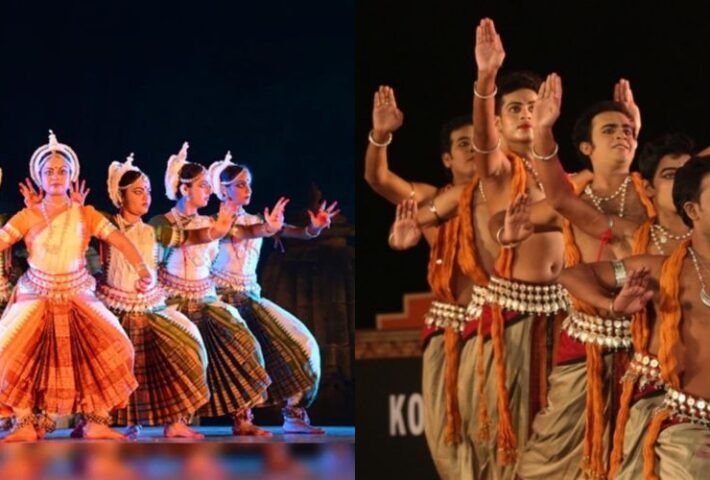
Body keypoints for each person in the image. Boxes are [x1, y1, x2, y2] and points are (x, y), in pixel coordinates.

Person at [557, 155, 710, 479]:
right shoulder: (662, 269)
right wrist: (611, 305)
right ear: (693, 211)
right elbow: (574, 274)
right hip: (687, 432)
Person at [0, 131, 152, 442]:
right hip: (36, 294)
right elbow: (3, 239)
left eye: (62, 171)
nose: (56, 176)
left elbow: (117, 239)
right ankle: (25, 422)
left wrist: (141, 268)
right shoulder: (28, 215)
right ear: (39, 177)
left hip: (78, 292)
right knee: (10, 353)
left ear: (72, 176)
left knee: (116, 348)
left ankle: (95, 420)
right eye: (49, 171)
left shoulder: (86, 213)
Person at [364, 83, 483, 479]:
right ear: (447, 158)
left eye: (477, 141)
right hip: (452, 330)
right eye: (461, 144)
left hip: (505, 328)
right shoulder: (435, 201)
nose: (471, 149)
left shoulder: (516, 198)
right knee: (450, 435)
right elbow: (379, 179)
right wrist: (381, 136)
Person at [96, 153, 236, 439]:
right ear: (119, 196)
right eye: (137, 191)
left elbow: (188, 238)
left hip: (149, 307)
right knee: (114, 366)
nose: (145, 197)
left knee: (188, 347)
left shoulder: (154, 229)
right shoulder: (105, 225)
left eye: (147, 191)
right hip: (114, 309)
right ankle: (98, 423)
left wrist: (215, 231)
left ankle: (176, 421)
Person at [208, 154, 337, 433]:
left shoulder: (257, 218)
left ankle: (294, 414)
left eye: (249, 184)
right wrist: (267, 228)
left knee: (304, 343)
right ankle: (243, 419)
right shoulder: (214, 223)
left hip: (250, 298)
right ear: (223, 188)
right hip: (218, 301)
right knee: (245, 351)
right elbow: (245, 232)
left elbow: (295, 233)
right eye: (240, 184)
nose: (248, 189)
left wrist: (313, 229)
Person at [150, 142, 271, 436]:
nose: (208, 190)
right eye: (203, 185)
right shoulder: (160, 223)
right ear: (183, 189)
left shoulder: (213, 221)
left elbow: (243, 232)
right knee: (186, 356)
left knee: (243, 344)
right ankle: (177, 421)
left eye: (208, 185)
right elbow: (174, 244)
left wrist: (269, 228)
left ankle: (243, 419)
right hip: (172, 301)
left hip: (206, 298)